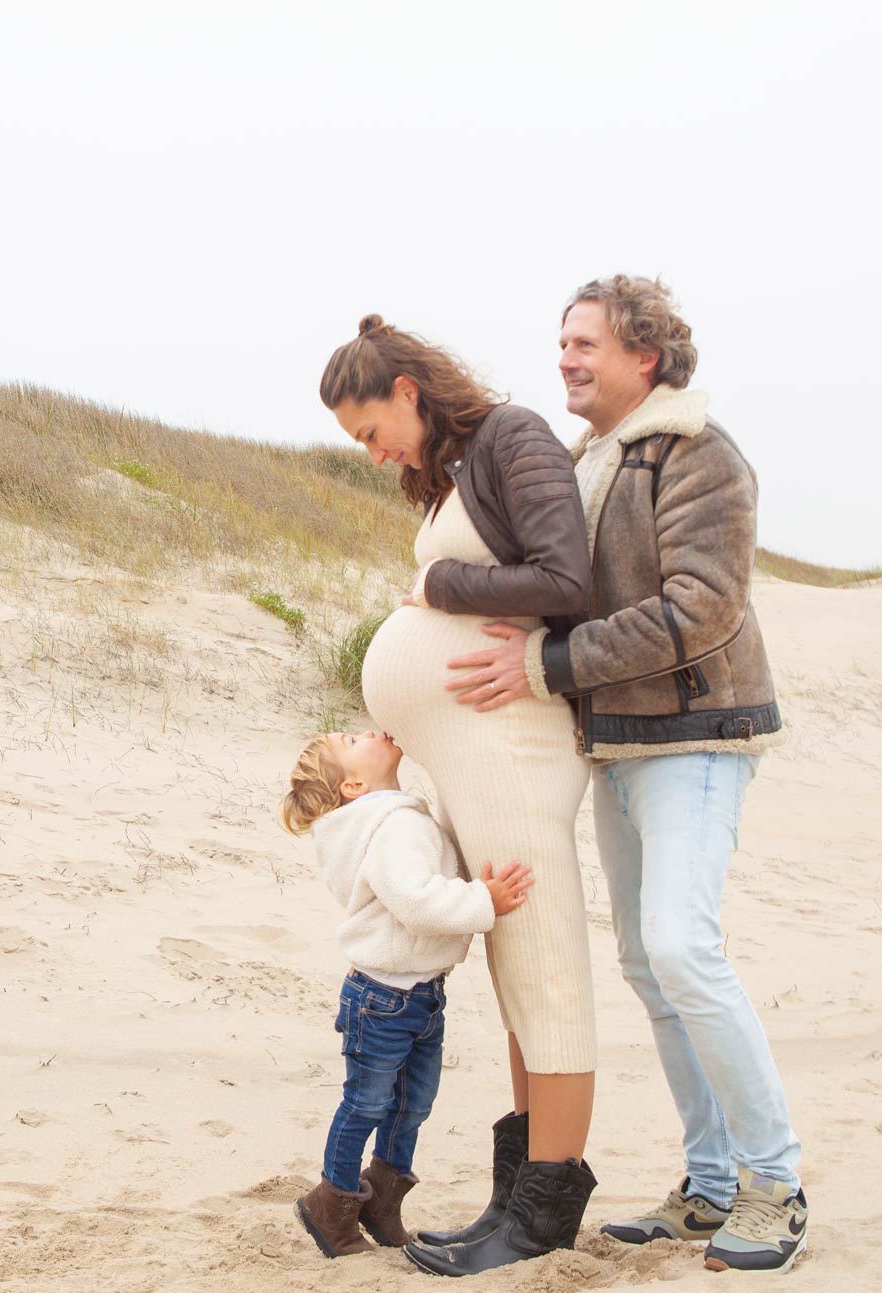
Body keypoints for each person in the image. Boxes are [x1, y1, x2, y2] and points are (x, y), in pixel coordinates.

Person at [441, 276, 808, 1274]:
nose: (564, 357)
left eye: (585, 343)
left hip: (696, 734)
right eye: (559, 342)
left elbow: (701, 609)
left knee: (681, 951)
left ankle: (773, 1184)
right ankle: (707, 1186)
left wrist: (544, 666)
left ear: (645, 357)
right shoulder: (585, 460)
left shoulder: (697, 454)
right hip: (616, 744)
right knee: (652, 969)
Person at [320, 316, 602, 1276]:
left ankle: (548, 1208)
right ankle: (516, 1199)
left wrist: (438, 581)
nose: (370, 453)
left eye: (369, 429)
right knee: (516, 974)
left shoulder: (514, 437)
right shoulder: (454, 469)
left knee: (547, 968)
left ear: (407, 389)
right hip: (475, 753)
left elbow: (567, 580)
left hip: (515, 749)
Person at [279, 727, 535, 1259]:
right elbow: (417, 901)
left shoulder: (395, 817)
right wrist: (482, 899)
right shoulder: (390, 827)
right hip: (382, 998)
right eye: (353, 738)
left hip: (419, 995)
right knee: (367, 1103)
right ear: (352, 785)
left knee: (411, 1105)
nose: (369, 730)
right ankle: (332, 1202)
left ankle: (383, 1202)